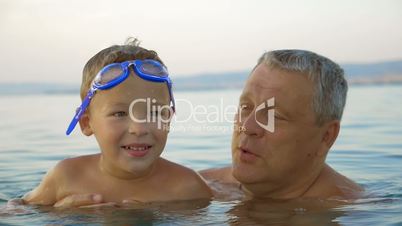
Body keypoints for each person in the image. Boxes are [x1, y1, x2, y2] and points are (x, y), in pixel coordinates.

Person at [20, 49, 363, 208]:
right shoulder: (206, 185)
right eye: (245, 108)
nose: (248, 126)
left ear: (326, 136)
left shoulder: (351, 211)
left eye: (275, 115)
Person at [21, 38, 212, 206]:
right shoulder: (66, 177)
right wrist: (59, 216)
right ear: (86, 123)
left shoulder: (188, 187)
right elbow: (17, 210)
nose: (139, 129)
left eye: (154, 113)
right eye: (120, 114)